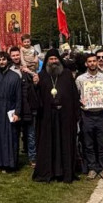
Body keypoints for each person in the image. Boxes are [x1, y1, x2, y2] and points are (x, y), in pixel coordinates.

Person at [33, 49, 80, 183]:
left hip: (65, 116)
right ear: (47, 61)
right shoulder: (41, 75)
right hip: (48, 117)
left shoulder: (66, 74)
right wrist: (35, 85)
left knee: (64, 143)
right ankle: (50, 171)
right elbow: (35, 98)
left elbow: (74, 95)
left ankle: (64, 172)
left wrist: (76, 114)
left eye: (55, 59)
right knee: (49, 144)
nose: (53, 61)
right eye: (51, 59)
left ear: (59, 60)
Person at [76, 53, 103, 181]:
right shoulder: (80, 79)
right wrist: (82, 102)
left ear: (97, 62)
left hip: (101, 113)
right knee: (88, 143)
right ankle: (92, 168)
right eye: (89, 61)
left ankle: (102, 169)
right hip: (87, 114)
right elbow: (77, 96)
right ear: (86, 64)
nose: (92, 63)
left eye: (94, 61)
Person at [9, 46, 39, 167]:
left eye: (17, 55)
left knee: (31, 134)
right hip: (14, 106)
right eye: (13, 55)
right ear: (10, 57)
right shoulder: (9, 70)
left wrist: (33, 75)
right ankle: (14, 158)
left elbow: (36, 81)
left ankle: (32, 158)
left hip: (28, 105)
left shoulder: (27, 69)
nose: (16, 57)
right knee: (14, 134)